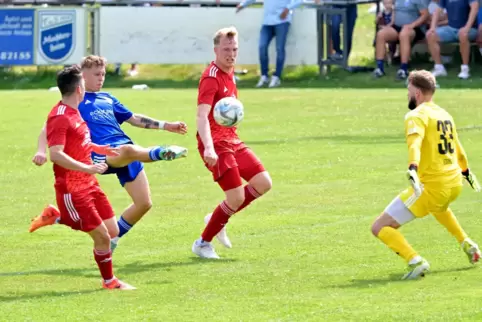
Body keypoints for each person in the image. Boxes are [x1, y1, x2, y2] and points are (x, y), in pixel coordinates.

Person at [30, 55, 188, 251]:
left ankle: (111, 240)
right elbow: (48, 128)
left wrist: (167, 125)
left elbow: (135, 119)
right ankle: (161, 152)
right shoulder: (75, 100)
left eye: (103, 74)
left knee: (144, 203)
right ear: (82, 76)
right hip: (100, 154)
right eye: (96, 74)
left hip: (127, 151)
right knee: (128, 150)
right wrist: (41, 151)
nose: (101, 78)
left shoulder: (108, 98)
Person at [371, 70, 481, 280]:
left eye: (409, 90)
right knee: (438, 207)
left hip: (433, 185)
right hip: (454, 183)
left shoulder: (416, 115)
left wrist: (413, 167)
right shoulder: (444, 114)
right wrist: (467, 173)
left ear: (418, 93)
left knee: (379, 227)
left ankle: (415, 261)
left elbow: (415, 143)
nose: (407, 95)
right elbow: (459, 150)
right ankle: (467, 243)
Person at [43, 65, 134, 290]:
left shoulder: (75, 112)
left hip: (89, 183)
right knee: (103, 238)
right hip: (72, 189)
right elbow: (55, 154)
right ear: (79, 90)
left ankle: (55, 216)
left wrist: (100, 149)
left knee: (112, 231)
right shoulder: (60, 117)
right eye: (83, 84)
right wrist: (88, 168)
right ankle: (110, 282)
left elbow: (81, 142)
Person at [192, 27, 272, 259]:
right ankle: (203, 243)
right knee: (235, 197)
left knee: (263, 183)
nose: (231, 54)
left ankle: (219, 216)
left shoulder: (231, 71)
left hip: (232, 139)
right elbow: (200, 116)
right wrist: (208, 147)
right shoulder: (211, 78)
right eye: (226, 49)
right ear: (216, 50)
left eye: (234, 49)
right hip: (216, 144)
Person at [235, 0, 305, 88]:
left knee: (279, 49)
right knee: (262, 47)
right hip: (267, 22)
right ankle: (264, 76)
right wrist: (243, 4)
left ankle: (276, 77)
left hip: (282, 21)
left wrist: (287, 9)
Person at [373, 0, 429, 80]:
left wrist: (412, 25)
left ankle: (403, 69)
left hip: (413, 28)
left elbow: (425, 15)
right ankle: (379, 68)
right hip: (396, 26)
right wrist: (387, 23)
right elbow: (389, 6)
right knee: (381, 34)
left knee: (404, 34)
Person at [427, 0, 479, 79]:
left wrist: (467, 27)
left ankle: (465, 69)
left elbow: (474, 9)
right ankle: (439, 68)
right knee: (430, 35)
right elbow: (437, 11)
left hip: (470, 29)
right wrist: (433, 27)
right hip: (451, 28)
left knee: (463, 34)